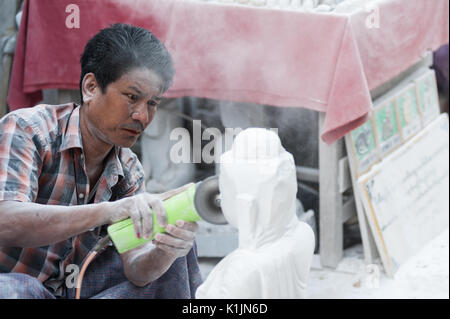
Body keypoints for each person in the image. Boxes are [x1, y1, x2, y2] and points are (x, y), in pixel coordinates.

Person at [0, 23, 202, 299]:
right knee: (16, 291)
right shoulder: (28, 129)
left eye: (153, 103)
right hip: (15, 288)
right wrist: (110, 211)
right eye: (132, 97)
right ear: (91, 87)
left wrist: (164, 253)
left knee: (176, 242)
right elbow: (5, 222)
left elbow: (135, 266)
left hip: (78, 291)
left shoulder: (128, 169)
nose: (143, 116)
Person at [195, 128, 315, 299]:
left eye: (225, 190)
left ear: (245, 203)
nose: (220, 197)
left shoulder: (241, 271)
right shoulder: (304, 234)